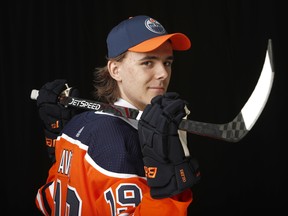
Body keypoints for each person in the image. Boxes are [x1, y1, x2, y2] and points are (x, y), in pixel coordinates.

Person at [35, 15, 201, 215]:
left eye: (167, 63)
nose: (163, 73)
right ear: (115, 70)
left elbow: (46, 202)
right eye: (148, 62)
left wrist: (57, 148)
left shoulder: (78, 125)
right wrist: (167, 189)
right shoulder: (120, 143)